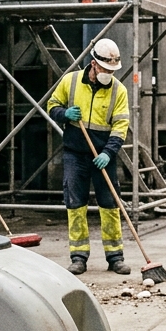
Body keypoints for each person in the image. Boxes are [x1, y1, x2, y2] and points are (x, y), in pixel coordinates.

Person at [46, 38, 131, 275]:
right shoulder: (70, 81)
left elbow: (121, 125)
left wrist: (108, 152)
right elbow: (51, 105)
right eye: (105, 69)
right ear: (93, 63)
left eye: (112, 70)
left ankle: (115, 257)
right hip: (75, 153)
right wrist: (64, 113)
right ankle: (79, 256)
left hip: (104, 154)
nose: (108, 74)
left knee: (110, 204)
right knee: (75, 204)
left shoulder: (118, 90)